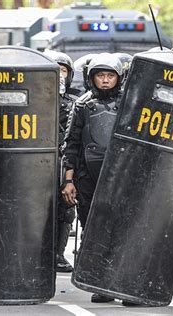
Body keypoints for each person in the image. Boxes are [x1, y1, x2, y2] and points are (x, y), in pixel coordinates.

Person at [62, 53, 124, 303]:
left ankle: (124, 282)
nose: (106, 80)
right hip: (88, 176)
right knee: (92, 230)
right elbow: (72, 145)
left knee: (122, 230)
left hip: (121, 175)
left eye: (110, 76)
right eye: (101, 76)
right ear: (92, 78)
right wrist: (68, 181)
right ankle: (101, 284)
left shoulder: (130, 100)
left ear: (118, 78)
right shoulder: (82, 105)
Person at [44, 50, 79, 273]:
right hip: (38, 162)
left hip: (63, 161)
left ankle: (58, 254)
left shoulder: (74, 103)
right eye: (54, 70)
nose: (59, 74)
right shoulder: (33, 99)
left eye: (63, 70)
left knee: (66, 209)